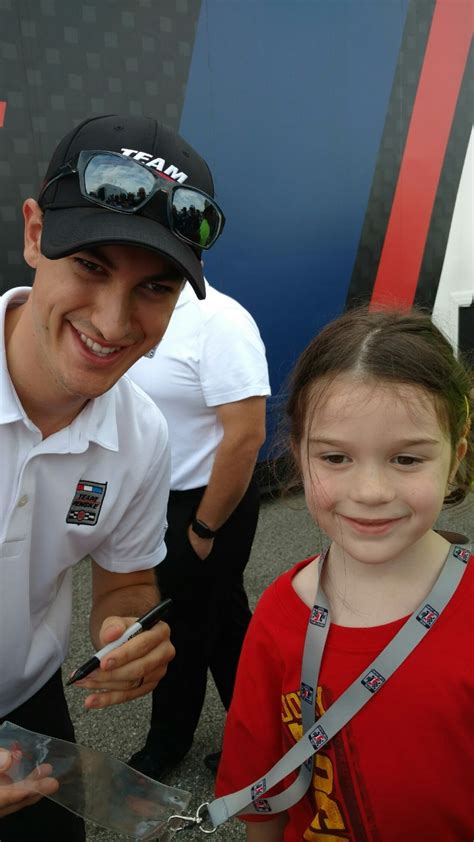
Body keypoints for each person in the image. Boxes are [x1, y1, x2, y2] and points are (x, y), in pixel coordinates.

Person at [0, 112, 226, 841]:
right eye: (92, 266)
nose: (113, 320)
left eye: (154, 289)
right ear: (35, 235)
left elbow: (125, 578)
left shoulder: (142, 433)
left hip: (26, 703)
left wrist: (123, 630)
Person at [216, 307, 474, 841]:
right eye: (335, 458)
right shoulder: (277, 616)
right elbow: (263, 798)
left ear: (456, 458)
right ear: (297, 454)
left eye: (407, 460)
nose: (370, 491)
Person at [127, 276, 270, 779]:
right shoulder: (134, 308)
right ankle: (269, 736)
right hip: (155, 500)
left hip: (210, 503)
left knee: (180, 627)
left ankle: (166, 745)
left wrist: (203, 530)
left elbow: (247, 436)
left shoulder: (220, 322)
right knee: (224, 622)